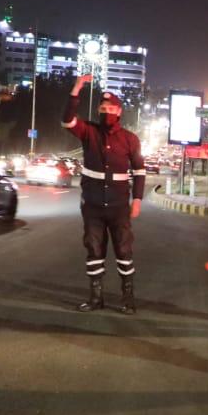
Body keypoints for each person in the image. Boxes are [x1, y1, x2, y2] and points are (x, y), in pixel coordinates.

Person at [62, 74, 146, 314]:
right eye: (103, 108)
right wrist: (76, 89)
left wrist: (137, 200)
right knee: (94, 250)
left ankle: (128, 299)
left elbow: (139, 171)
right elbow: (67, 120)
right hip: (93, 206)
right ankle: (95, 298)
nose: (106, 112)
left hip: (119, 207)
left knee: (124, 251)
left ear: (119, 112)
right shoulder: (89, 131)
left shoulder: (130, 139)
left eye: (111, 109)